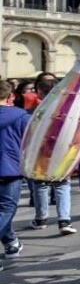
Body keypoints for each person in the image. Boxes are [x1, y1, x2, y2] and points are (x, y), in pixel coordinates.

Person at [0, 81, 28, 269]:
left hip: (9, 167)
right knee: (6, 209)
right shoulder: (21, 116)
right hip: (9, 168)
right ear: (10, 97)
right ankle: (11, 243)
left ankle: (11, 243)